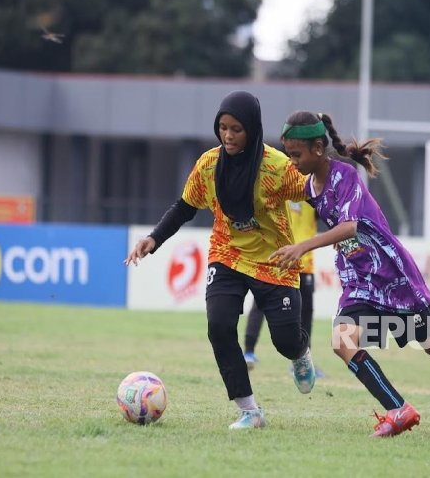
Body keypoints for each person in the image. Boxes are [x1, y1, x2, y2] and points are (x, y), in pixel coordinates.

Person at [270, 111, 430, 442]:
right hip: (359, 282)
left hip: (391, 275)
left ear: (318, 149)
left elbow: (350, 226)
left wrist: (302, 247)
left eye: (296, 154)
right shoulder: (309, 186)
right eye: (289, 154)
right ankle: (398, 409)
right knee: (341, 340)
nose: (292, 161)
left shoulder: (345, 176)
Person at [124, 91, 316, 430]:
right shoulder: (208, 164)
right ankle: (250, 411)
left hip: (275, 261)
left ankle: (300, 354)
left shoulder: (277, 168)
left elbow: (315, 188)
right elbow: (184, 207)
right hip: (227, 255)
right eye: (223, 127)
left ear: (253, 130)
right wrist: (153, 239)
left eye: (236, 129)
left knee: (286, 342)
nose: (228, 135)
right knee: (219, 326)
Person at [244, 197, 324, 378]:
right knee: (302, 311)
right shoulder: (292, 190)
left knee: (263, 303)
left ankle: (250, 352)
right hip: (287, 259)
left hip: (290, 260)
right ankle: (251, 352)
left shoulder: (310, 195)